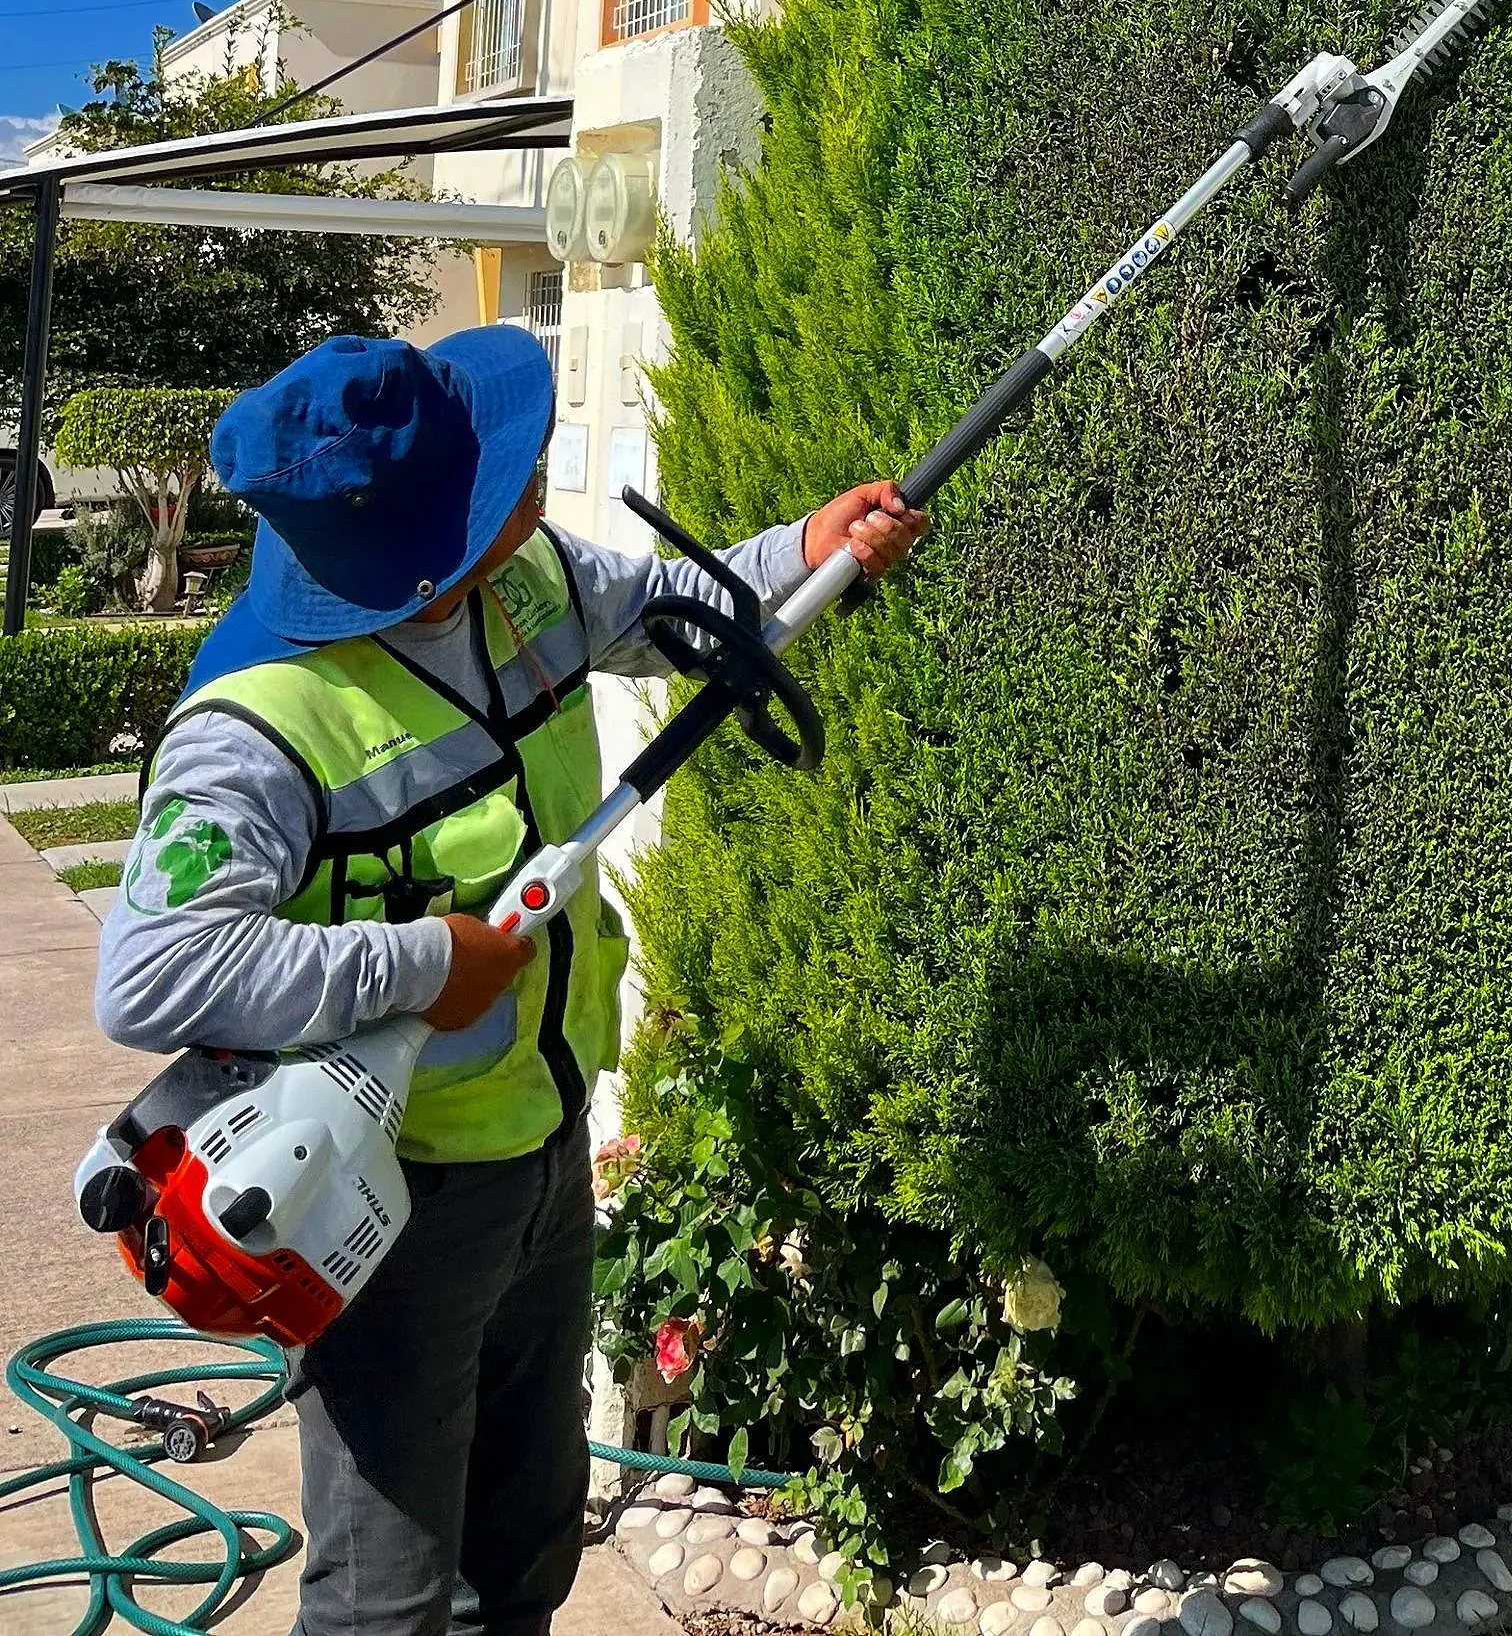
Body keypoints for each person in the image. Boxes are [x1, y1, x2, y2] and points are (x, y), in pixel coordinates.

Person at [96, 324, 926, 1636]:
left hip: (544, 1153)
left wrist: (803, 553)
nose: (530, 487)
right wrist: (426, 964)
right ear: (415, 553)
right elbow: (152, 973)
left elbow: (664, 611)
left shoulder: (519, 575)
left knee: (525, 1539)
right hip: (392, 1205)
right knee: (389, 1591)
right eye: (499, 485)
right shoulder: (256, 721)